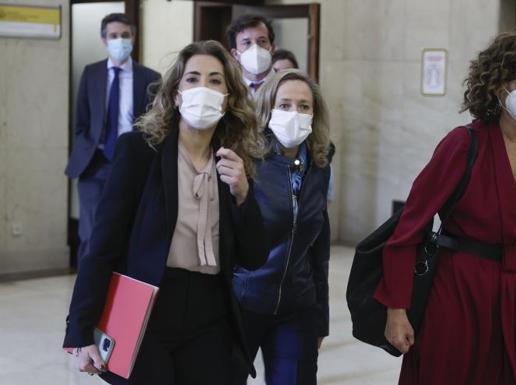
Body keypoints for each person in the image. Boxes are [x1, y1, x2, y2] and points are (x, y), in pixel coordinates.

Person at [63, 40, 269, 385]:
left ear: (229, 97)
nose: (203, 88)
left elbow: (254, 256)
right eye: (193, 79)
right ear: (175, 93)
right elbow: (103, 244)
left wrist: (243, 196)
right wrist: (80, 329)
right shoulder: (139, 150)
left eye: (215, 80)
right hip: (148, 308)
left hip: (211, 312)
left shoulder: (234, 160)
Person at [377, 31, 516, 385]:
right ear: (498, 85)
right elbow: (409, 228)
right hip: (458, 290)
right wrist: (396, 308)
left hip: (514, 293)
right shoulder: (464, 143)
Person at [231, 69, 332, 385]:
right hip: (243, 302)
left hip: (296, 304)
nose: (295, 113)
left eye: (304, 106)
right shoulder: (245, 158)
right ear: (267, 109)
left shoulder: (320, 163)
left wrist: (321, 318)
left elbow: (319, 247)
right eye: (285, 105)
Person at [65, 13, 161, 265]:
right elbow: (81, 122)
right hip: (95, 164)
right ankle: (86, 290)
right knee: (91, 233)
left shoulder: (150, 78)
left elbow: (156, 125)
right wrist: (85, 148)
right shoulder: (92, 73)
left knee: (130, 229)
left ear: (134, 38)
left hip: (132, 164)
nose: (120, 41)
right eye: (114, 36)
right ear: (104, 40)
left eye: (125, 35)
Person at [227, 14, 276, 95]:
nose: (255, 48)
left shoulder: (288, 85)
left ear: (272, 48)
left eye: (262, 41)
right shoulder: (229, 89)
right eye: (247, 43)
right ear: (235, 54)